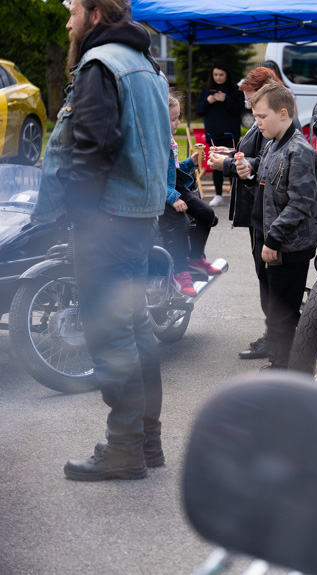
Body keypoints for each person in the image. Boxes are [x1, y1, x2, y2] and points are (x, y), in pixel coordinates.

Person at [31, 0, 169, 480]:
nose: (67, 19)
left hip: (108, 221)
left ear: (94, 14)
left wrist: (79, 219)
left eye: (72, 9)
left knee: (112, 335)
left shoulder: (100, 65)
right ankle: (146, 443)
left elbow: (91, 148)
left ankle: (124, 449)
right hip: (138, 217)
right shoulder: (145, 66)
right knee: (135, 330)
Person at [239, 79, 317, 369]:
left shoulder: (298, 151)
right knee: (274, 309)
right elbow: (265, 190)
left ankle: (285, 369)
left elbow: (301, 202)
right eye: (255, 117)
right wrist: (248, 174)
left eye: (262, 116)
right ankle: (280, 362)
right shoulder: (273, 145)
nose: (257, 122)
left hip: (287, 245)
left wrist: (274, 240)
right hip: (269, 240)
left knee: (283, 311)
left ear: (283, 114)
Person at [208, 66, 281, 359]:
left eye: (251, 98)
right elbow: (255, 156)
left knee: (269, 277)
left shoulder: (273, 120)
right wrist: (232, 154)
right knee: (266, 277)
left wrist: (226, 165)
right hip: (258, 209)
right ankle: (275, 335)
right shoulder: (264, 119)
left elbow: (266, 163)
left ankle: (276, 339)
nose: (248, 105)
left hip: (265, 210)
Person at [162, 90, 222, 298]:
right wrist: (173, 199)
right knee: (182, 224)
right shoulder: (154, 143)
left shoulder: (169, 138)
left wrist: (191, 162)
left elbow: (173, 172)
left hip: (174, 188)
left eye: (178, 118)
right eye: (172, 119)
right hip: (161, 195)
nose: (177, 122)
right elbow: (152, 178)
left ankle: (195, 258)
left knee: (207, 214)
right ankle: (180, 271)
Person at [196, 62, 244, 207]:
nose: (218, 77)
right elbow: (199, 111)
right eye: (215, 74)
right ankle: (218, 194)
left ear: (227, 75)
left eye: (221, 74)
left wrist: (226, 99)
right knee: (216, 162)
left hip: (231, 133)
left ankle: (235, 193)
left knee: (232, 162)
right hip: (213, 133)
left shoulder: (235, 90)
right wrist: (208, 101)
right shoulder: (206, 90)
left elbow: (239, 109)